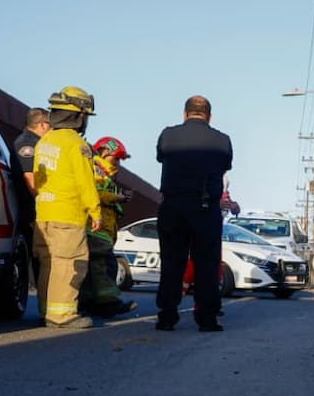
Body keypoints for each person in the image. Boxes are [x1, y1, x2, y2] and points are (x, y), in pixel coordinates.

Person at [155, 95, 232, 332]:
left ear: (185, 113)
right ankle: (207, 318)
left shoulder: (168, 135)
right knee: (207, 264)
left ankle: (167, 316)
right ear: (209, 117)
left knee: (171, 262)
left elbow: (161, 156)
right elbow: (225, 165)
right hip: (206, 208)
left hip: (173, 206)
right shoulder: (222, 141)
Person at [32, 86, 101, 329]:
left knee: (49, 264)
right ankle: (62, 315)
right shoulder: (76, 145)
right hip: (67, 215)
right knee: (69, 264)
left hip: (44, 214)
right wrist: (95, 211)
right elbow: (85, 182)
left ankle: (46, 310)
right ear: (79, 115)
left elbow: (39, 180)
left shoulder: (45, 141)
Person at [80, 136, 137, 318]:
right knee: (105, 267)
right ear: (104, 152)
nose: (118, 163)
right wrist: (117, 197)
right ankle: (109, 304)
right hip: (96, 229)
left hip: (102, 230)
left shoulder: (105, 174)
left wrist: (119, 197)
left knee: (94, 270)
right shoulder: (96, 170)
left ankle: (90, 304)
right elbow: (94, 193)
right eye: (116, 158)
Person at [10, 107, 50, 261]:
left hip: (35, 209)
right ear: (42, 124)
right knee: (39, 256)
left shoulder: (35, 142)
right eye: (51, 125)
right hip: (33, 211)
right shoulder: (27, 143)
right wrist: (44, 203)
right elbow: (30, 178)